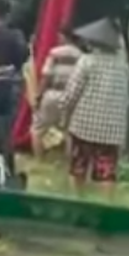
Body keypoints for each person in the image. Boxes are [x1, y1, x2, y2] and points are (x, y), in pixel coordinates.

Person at [58, 18, 129, 197]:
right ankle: (106, 204)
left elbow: (72, 93)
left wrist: (63, 111)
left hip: (85, 125)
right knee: (106, 171)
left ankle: (78, 199)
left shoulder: (87, 61)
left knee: (78, 166)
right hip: (113, 128)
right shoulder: (124, 66)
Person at [31, 26, 82, 158]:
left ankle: (39, 159)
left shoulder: (55, 53)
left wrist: (38, 94)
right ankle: (68, 161)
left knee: (38, 129)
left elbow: (46, 76)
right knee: (69, 132)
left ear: (64, 37)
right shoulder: (81, 55)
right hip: (72, 96)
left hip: (53, 94)